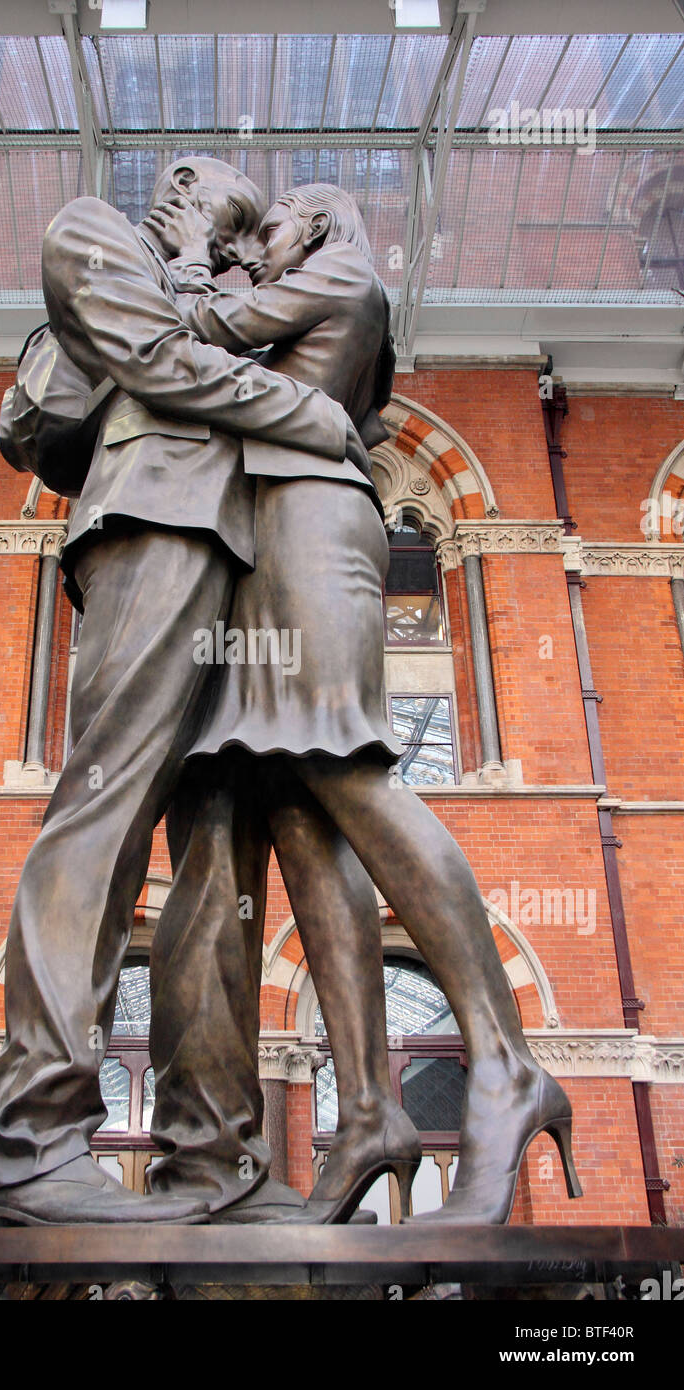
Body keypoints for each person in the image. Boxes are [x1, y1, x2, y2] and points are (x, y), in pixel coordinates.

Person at [145, 184, 583, 1225]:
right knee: (303, 808)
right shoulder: (314, 292)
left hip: (309, 530)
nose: (268, 232)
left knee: (348, 769)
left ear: (326, 223)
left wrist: (193, 254)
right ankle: (372, 1110)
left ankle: (504, 1060)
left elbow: (196, 332)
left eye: (282, 216)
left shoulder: (344, 273)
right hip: (271, 539)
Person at [0, 159, 377, 1228]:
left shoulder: (226, 300)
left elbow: (242, 349)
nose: (224, 242)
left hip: (247, 560)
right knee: (102, 815)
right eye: (216, 216)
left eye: (241, 233)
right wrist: (299, 410)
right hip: (152, 526)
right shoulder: (95, 231)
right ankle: (30, 1142)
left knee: (220, 864)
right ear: (178, 192)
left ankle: (215, 1160)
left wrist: (210, 310)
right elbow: (71, 404)